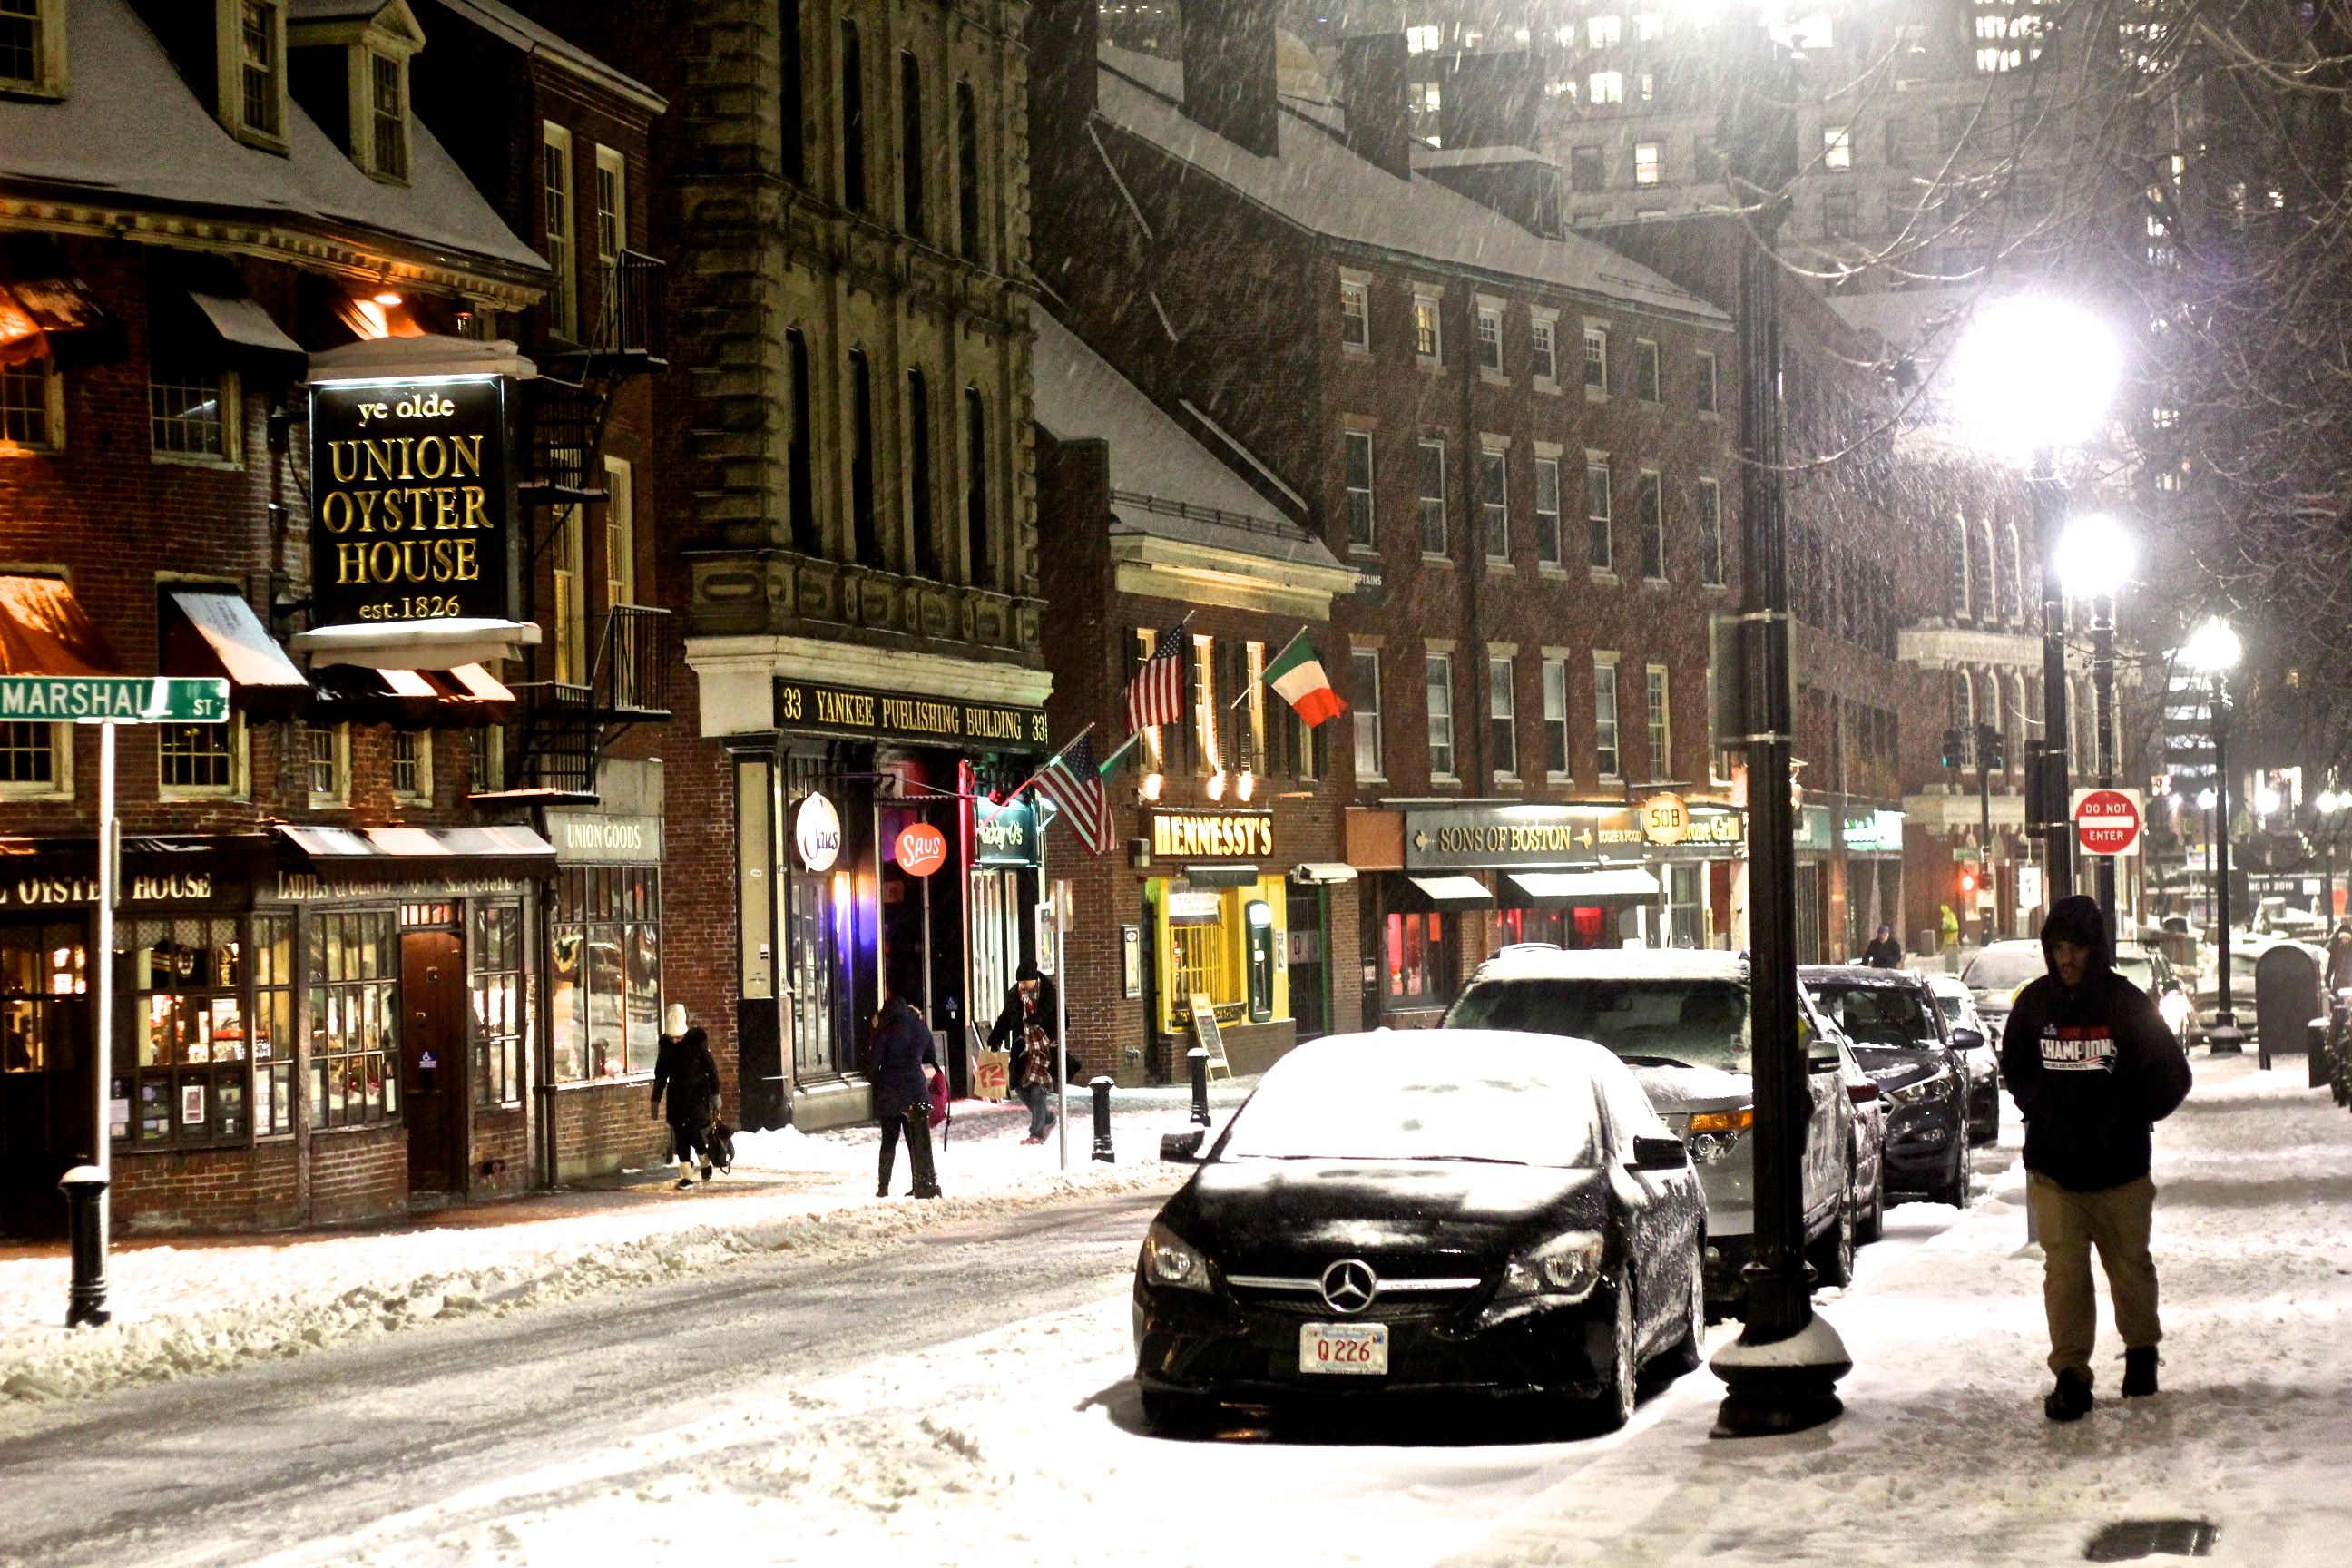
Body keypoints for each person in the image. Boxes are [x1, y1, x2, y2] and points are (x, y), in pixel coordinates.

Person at [2000, 895, 2192, 1422]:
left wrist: (2129, 1115)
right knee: (2064, 1275)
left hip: (2120, 1170)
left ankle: (2141, 1353)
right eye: (2058, 948)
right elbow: (2015, 1068)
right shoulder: (2034, 1006)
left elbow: (2174, 1076)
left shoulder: (2127, 1005)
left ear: (2096, 949)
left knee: (2129, 1268)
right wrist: (2039, 1109)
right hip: (2054, 1170)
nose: (2067, 959)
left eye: (2077, 948)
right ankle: (2071, 1376)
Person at [869, 972, 943, 1199]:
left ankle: (883, 1187)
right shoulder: (921, 1028)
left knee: (888, 1141)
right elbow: (930, 1056)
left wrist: (877, 1080)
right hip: (916, 1092)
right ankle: (918, 1183)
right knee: (915, 1141)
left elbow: (873, 1064)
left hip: (890, 1093)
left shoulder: (886, 1032)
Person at [651, 1004, 721, 1191]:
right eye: (672, 1037)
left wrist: (715, 1093)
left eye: (678, 1037)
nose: (674, 1041)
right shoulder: (666, 1047)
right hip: (676, 1097)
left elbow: (711, 1069)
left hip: (697, 1096)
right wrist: (655, 1098)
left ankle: (704, 1159)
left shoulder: (697, 1043)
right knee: (680, 1135)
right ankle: (686, 1176)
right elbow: (661, 1074)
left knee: (692, 1132)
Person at [988, 960, 1060, 1144]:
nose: (1022, 985)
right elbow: (1006, 1018)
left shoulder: (1048, 995)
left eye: (1025, 982)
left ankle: (1036, 1134)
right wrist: (995, 1038)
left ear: (1034, 980)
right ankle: (1048, 1117)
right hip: (1023, 1048)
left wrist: (1045, 1027)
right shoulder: (1015, 997)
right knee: (1020, 1087)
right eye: (1020, 982)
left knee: (1037, 1091)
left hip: (1044, 1048)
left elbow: (1062, 1019)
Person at [2325, 923, 2352, 995]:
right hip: (2338, 983)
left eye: (2347, 939)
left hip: (2350, 983)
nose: (2345, 940)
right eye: (2343, 938)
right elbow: (2330, 967)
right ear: (2340, 939)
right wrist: (2327, 981)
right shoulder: (2335, 951)